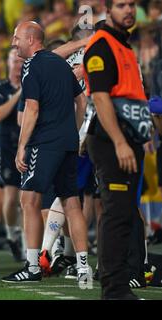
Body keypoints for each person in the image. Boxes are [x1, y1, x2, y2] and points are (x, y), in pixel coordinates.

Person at [1, 21, 90, 285]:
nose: (13, 42)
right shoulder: (62, 65)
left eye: (17, 38)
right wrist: (72, 131)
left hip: (44, 142)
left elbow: (32, 108)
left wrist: (21, 146)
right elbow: (82, 100)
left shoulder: (31, 66)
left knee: (28, 201)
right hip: (68, 143)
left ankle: (31, 267)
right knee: (72, 204)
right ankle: (84, 268)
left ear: (31, 40)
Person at [83, 0, 151, 300]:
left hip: (129, 139)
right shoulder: (101, 45)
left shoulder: (124, 45)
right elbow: (100, 97)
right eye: (122, 4)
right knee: (115, 214)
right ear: (108, 10)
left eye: (132, 4)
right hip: (112, 142)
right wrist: (121, 142)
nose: (129, 10)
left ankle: (120, 282)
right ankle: (114, 289)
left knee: (124, 215)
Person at [0, 48, 25, 262]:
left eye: (21, 61)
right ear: (8, 63)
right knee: (11, 198)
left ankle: (25, 239)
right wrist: (19, 94)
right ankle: (13, 235)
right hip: (6, 146)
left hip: (28, 143)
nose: (18, 66)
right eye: (14, 61)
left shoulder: (34, 83)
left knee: (28, 196)